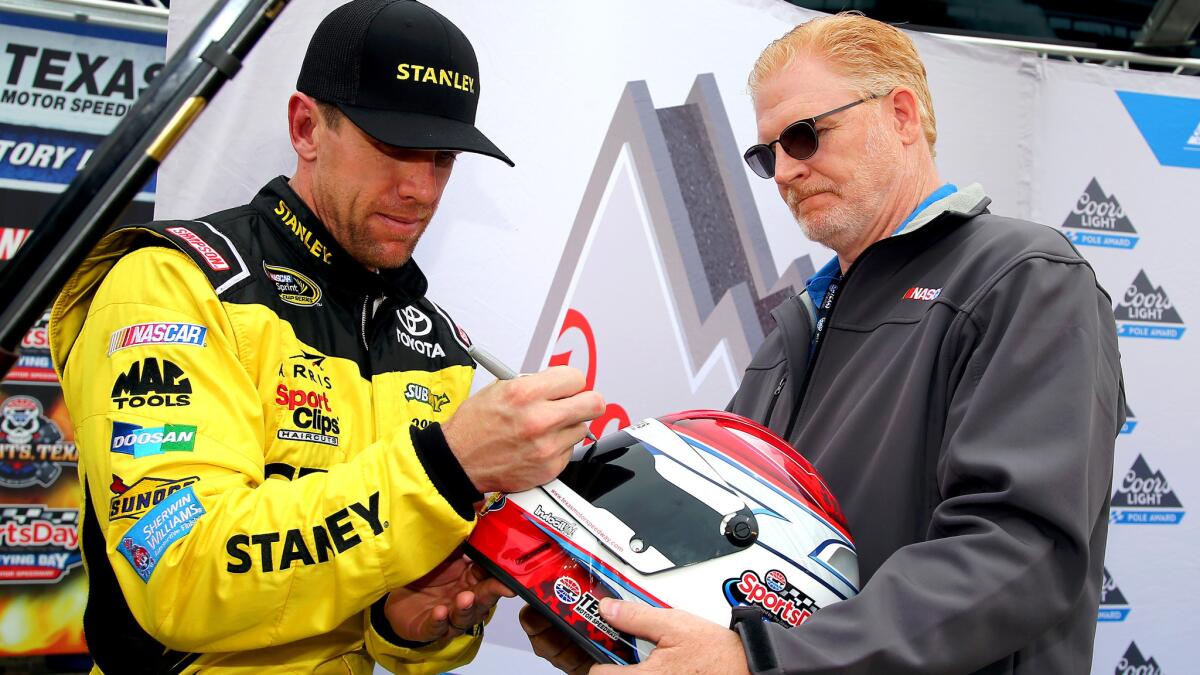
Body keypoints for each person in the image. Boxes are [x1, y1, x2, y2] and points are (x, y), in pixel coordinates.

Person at [520, 12, 1124, 675]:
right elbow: (730, 547)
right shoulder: (798, 322)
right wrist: (624, 633)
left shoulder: (1021, 277)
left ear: (901, 116)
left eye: (805, 136)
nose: (783, 171)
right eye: (766, 153)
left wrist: (766, 660)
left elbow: (1019, 552)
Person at [48, 1, 603, 673]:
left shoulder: (433, 339)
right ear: (307, 126)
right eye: (395, 148)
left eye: (443, 158)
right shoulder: (173, 285)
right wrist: (443, 467)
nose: (421, 188)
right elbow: (181, 574)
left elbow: (383, 620)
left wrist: (409, 626)